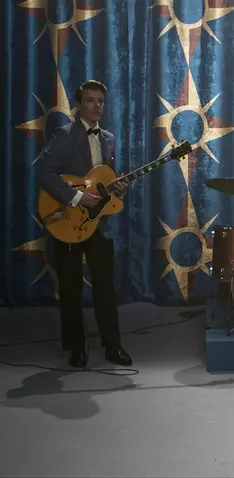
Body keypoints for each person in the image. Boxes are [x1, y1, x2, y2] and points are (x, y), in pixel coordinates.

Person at [35, 79, 132, 368]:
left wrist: (118, 189)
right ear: (78, 105)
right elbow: (45, 173)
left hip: (98, 224)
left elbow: (104, 180)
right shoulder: (64, 135)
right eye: (90, 100)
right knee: (70, 286)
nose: (96, 105)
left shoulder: (109, 139)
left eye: (100, 100)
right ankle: (76, 347)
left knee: (105, 286)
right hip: (68, 220)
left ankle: (113, 346)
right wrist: (77, 197)